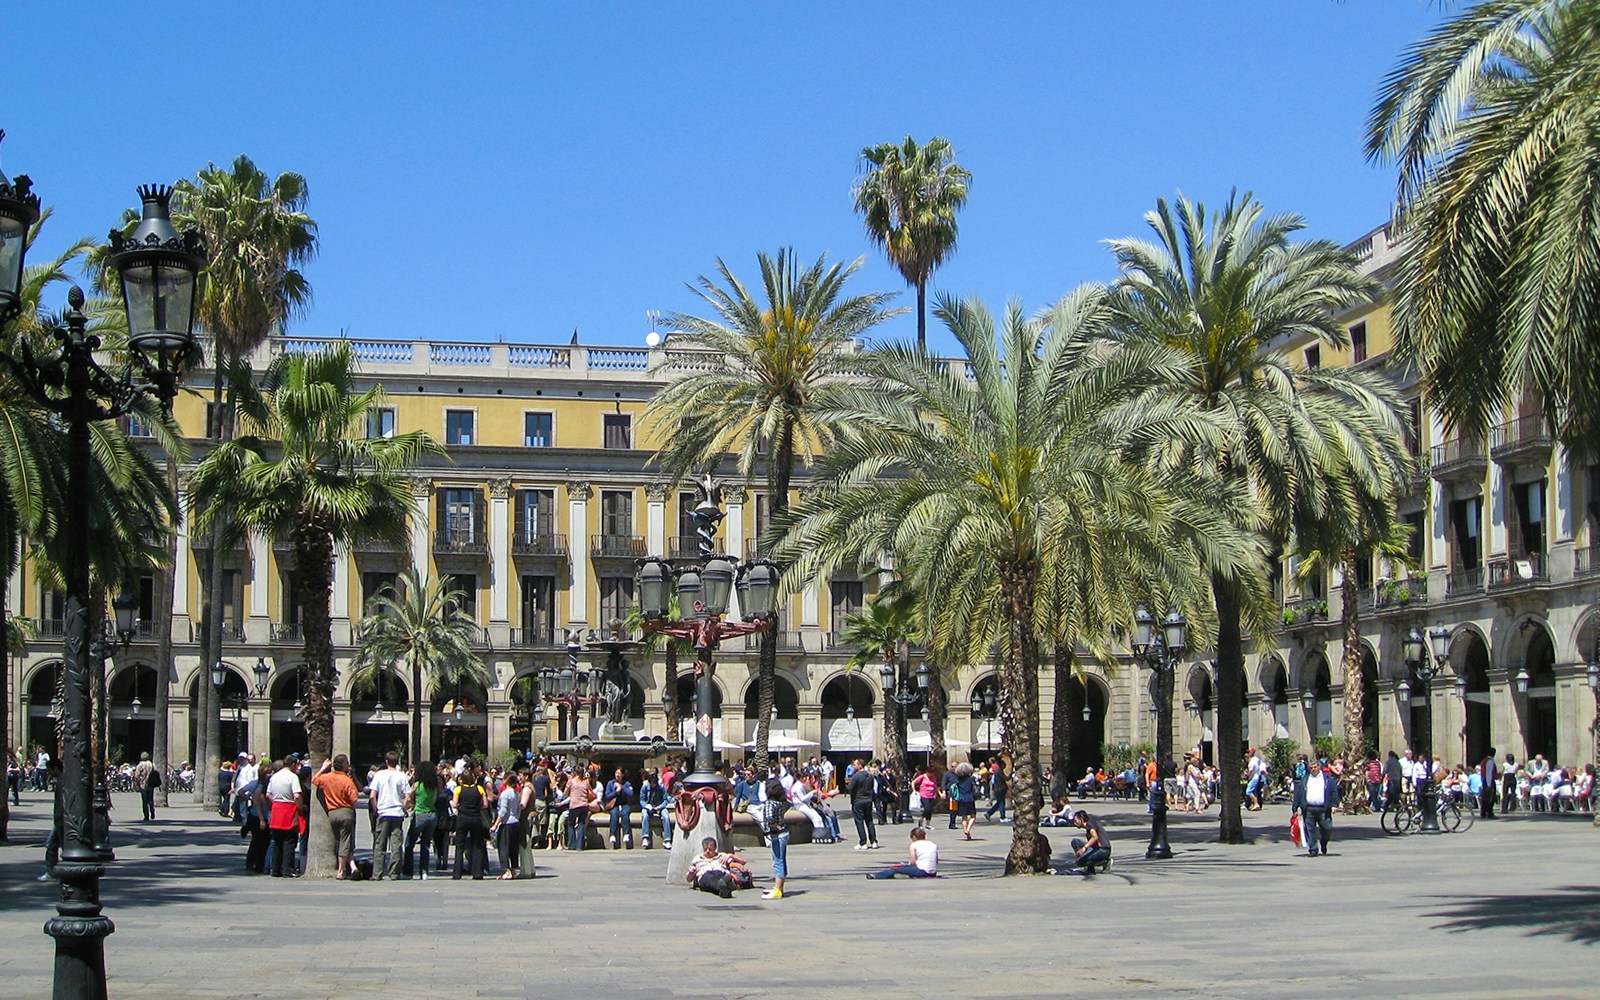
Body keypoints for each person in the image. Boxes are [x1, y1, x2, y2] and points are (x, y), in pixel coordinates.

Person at [312, 754, 360, 879]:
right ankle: (341, 870)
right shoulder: (347, 780)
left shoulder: (326, 778)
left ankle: (352, 866)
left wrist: (322, 768)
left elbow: (314, 780)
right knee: (345, 841)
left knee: (340, 841)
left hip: (332, 812)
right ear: (345, 766)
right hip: (346, 811)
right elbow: (354, 798)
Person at [368, 751, 411, 880]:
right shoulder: (402, 776)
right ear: (397, 762)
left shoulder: (379, 775)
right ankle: (394, 873)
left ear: (386, 761)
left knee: (379, 845)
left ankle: (377, 873)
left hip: (383, 812)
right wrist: (403, 808)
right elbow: (408, 797)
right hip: (397, 813)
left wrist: (376, 810)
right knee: (396, 845)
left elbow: (372, 796)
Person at [1294, 757, 1340, 858]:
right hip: (1309, 808)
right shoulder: (1305, 780)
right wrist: (1295, 807)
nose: (1313, 769)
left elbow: (1334, 793)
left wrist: (1334, 805)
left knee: (1327, 828)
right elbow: (1298, 794)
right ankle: (1313, 849)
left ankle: (1324, 842)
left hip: (1323, 808)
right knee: (1310, 829)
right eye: (1311, 768)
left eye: (1315, 767)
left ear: (1319, 767)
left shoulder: (1328, 779)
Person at [452, 763, 491, 879]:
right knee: (477, 845)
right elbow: (485, 804)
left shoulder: (459, 789)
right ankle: (478, 873)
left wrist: (460, 805)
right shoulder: (479, 789)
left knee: (460, 846)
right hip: (476, 818)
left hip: (463, 818)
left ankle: (457, 873)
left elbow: (454, 804)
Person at [265, 757, 302, 877]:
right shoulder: (293, 777)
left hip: (276, 808)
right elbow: (296, 795)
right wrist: (300, 806)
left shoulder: (274, 776)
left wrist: (276, 802)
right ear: (292, 765)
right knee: (289, 841)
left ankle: (275, 869)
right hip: (289, 808)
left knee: (277, 842)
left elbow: (268, 794)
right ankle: (287, 869)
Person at [752, 778, 789, 899]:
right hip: (785, 833)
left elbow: (769, 818)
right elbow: (789, 805)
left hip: (777, 835)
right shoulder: (781, 802)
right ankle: (779, 887)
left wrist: (774, 825)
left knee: (777, 861)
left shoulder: (769, 803)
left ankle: (778, 889)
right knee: (782, 860)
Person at [402, 760, 440, 878]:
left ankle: (408, 871)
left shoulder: (417, 785)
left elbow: (409, 799)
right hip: (432, 815)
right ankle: (424, 871)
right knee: (425, 844)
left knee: (409, 843)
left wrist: (405, 808)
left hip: (420, 814)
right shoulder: (434, 785)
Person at [1052, 810, 1112, 876]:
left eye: (1076, 821)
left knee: (1080, 862)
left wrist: (1084, 848)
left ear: (1081, 819)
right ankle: (1090, 869)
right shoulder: (1089, 825)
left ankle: (1105, 862)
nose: (1074, 823)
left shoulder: (1089, 824)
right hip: (1097, 848)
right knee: (1075, 842)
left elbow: (1095, 837)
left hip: (1103, 850)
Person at [868, 825, 939, 879]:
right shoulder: (933, 844)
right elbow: (936, 861)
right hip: (933, 872)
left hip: (922, 871)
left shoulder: (914, 845)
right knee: (906, 869)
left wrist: (905, 866)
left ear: (914, 836)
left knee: (896, 869)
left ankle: (877, 876)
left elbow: (912, 862)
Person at [489, 770, 521, 878]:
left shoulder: (505, 794)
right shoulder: (516, 793)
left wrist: (495, 824)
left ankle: (506, 869)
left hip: (506, 823)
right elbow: (518, 808)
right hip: (516, 822)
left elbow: (502, 811)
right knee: (513, 847)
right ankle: (513, 869)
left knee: (504, 847)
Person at [848, 760, 880, 850]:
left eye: (855, 765)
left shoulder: (856, 776)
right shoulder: (870, 776)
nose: (853, 767)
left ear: (859, 765)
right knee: (869, 821)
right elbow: (872, 787)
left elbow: (851, 788)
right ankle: (874, 841)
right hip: (868, 800)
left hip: (858, 800)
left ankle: (863, 842)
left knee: (859, 822)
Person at [603, 767, 635, 850]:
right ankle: (612, 834)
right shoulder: (610, 783)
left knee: (625, 813)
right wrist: (616, 792)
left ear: (623, 775)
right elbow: (607, 795)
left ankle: (626, 834)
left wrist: (621, 787)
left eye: (619, 773)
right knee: (614, 814)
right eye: (616, 773)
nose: (617, 775)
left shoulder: (627, 783)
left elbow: (631, 794)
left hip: (624, 803)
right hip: (614, 804)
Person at [638, 769, 670, 849]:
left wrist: (660, 806)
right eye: (651, 782)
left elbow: (666, 800)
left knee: (666, 816)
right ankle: (645, 838)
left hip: (659, 806)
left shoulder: (661, 787)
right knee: (644, 815)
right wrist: (646, 806)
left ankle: (667, 840)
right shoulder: (645, 787)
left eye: (654, 783)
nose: (653, 785)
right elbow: (642, 800)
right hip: (649, 806)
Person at [565, 765, 594, 851]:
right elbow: (591, 792)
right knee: (581, 824)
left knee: (570, 824)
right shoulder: (586, 782)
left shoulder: (571, 781)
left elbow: (565, 793)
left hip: (574, 805)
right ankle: (579, 846)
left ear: (574, 772)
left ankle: (571, 844)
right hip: (584, 805)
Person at [950, 762, 978, 840]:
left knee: (964, 817)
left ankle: (965, 832)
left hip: (961, 799)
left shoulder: (958, 779)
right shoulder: (971, 779)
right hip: (970, 799)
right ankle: (968, 830)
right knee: (973, 816)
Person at [133, 751, 159, 822]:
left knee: (144, 801)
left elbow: (137, 775)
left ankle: (146, 815)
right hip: (151, 784)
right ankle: (152, 810)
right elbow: (156, 772)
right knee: (150, 799)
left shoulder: (140, 765)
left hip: (143, 784)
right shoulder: (152, 764)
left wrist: (136, 784)